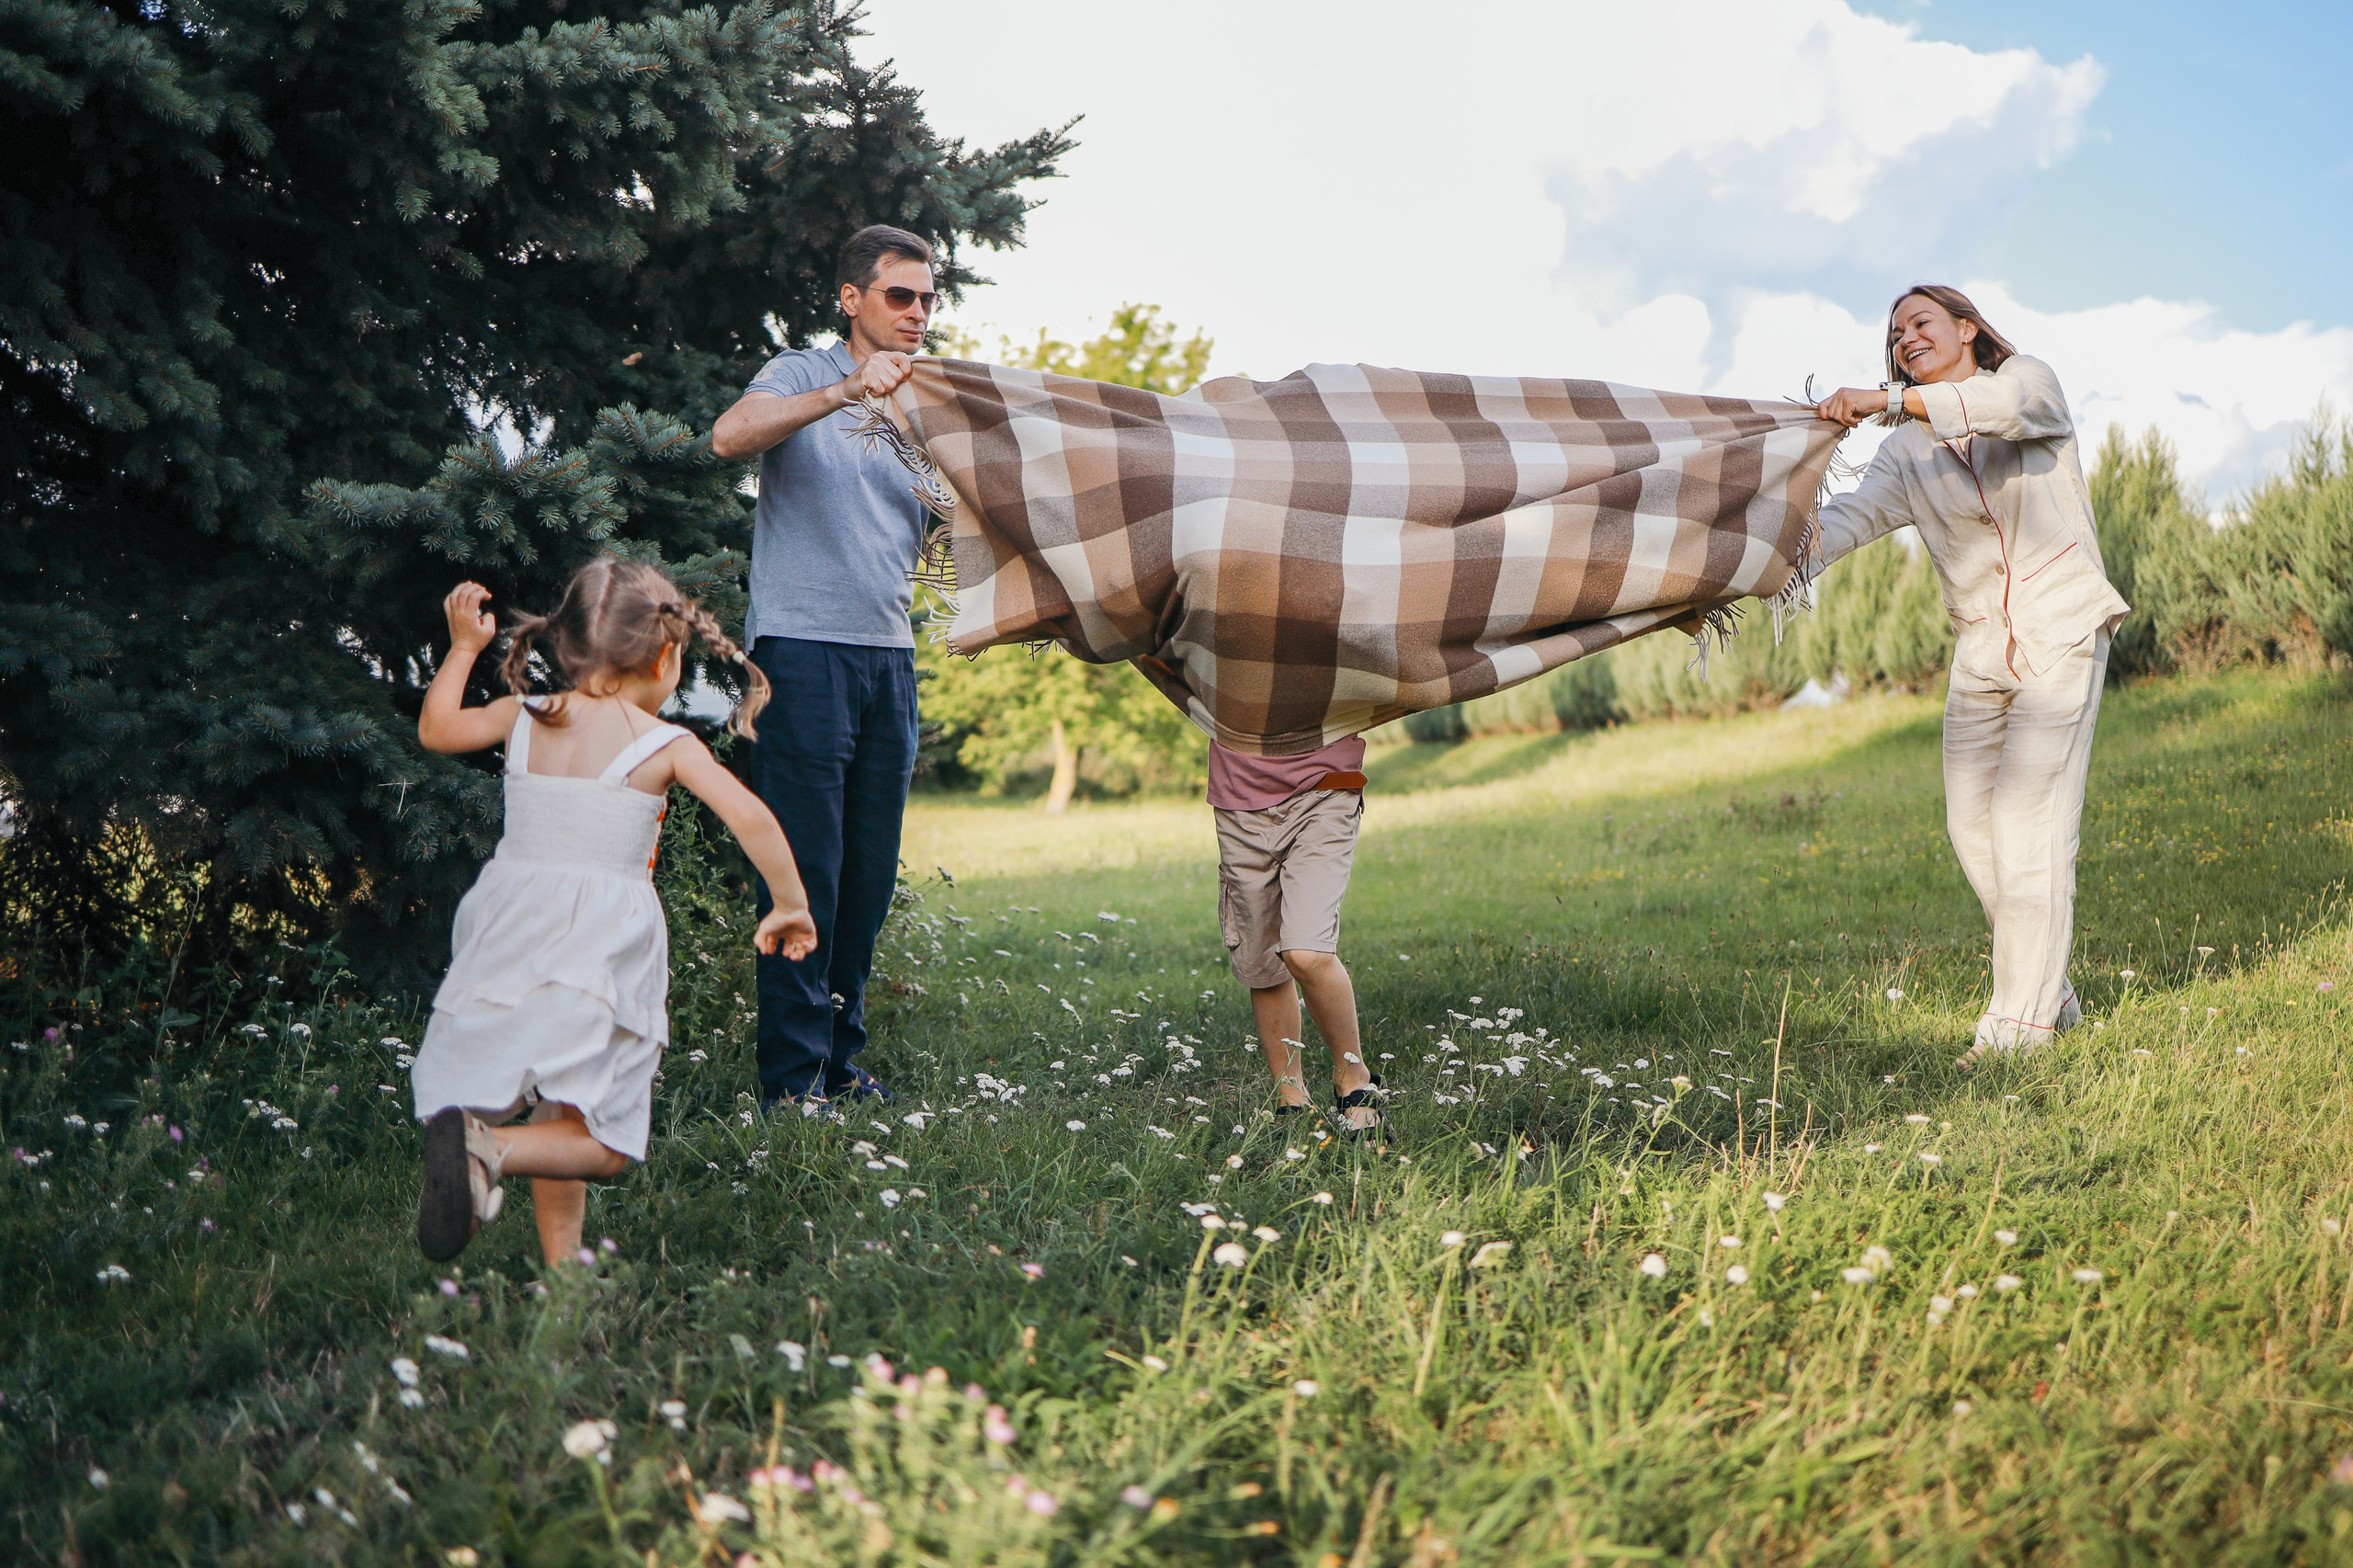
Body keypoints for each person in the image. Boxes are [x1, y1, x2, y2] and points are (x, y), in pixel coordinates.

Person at [409, 561, 818, 1265]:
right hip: (599, 943)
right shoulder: (665, 743)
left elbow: (439, 730)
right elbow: (750, 817)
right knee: (603, 1143)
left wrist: (464, 648)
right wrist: (790, 905)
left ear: (566, 645)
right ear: (665, 654)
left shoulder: (525, 714)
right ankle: (489, 1148)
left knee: (556, 1105)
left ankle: (562, 1272)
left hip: (509, 923)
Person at [1813, 284, 2129, 1062]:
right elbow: (1841, 525)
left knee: (2031, 827)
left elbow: (2004, 410)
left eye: (1919, 323)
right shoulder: (1905, 451)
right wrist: (1733, 563)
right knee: (1971, 831)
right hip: (1981, 652)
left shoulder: (2030, 381)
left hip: (2059, 630)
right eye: (1893, 335)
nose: (1904, 339)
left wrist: (1889, 399)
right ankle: (2050, 994)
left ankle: (2016, 1034)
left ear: (1966, 328)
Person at [709, 224, 942, 1108]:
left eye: (927, 299)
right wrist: (850, 390)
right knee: (804, 871)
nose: (917, 313)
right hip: (800, 656)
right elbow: (730, 439)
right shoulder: (803, 372)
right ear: (851, 299)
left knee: (868, 878)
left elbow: (938, 537)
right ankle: (791, 1081)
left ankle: (839, 1066)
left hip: (890, 659)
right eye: (899, 296)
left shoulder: (932, 401)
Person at [1210, 736, 1384, 1135]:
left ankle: (1355, 1082)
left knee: (1306, 952)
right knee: (1261, 961)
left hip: (1324, 789)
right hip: (1239, 798)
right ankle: (1291, 1097)